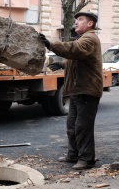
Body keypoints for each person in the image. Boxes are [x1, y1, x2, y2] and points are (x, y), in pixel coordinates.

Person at [39, 11, 103, 170]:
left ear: (90, 24)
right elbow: (77, 61)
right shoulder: (83, 39)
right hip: (77, 90)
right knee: (72, 125)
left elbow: (76, 50)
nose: (76, 22)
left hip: (87, 90)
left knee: (83, 126)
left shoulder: (90, 38)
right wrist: (61, 64)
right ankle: (73, 154)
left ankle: (87, 159)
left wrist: (51, 44)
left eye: (80, 20)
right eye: (76, 20)